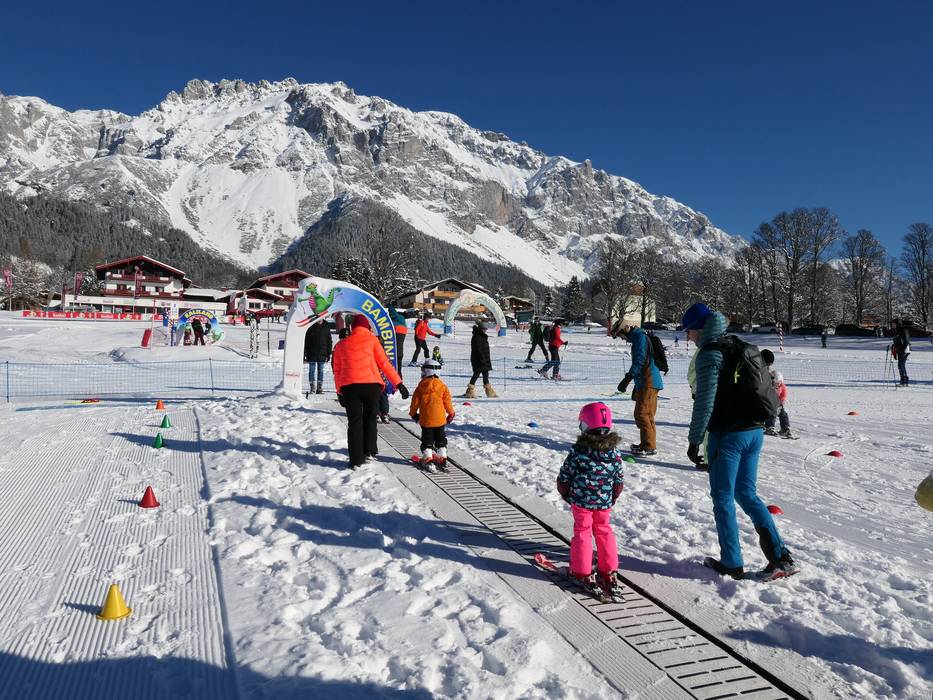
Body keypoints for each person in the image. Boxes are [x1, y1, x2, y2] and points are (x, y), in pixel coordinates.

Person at [681, 302, 797, 581]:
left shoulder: (710, 354)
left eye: (689, 331)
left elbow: (704, 401)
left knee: (722, 498)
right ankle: (781, 557)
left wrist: (695, 440)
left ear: (699, 329)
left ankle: (731, 562)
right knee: (746, 494)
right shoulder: (737, 344)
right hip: (754, 432)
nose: (688, 336)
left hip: (727, 435)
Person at [556, 402, 625, 596]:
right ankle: (608, 570)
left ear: (585, 425)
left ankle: (581, 571)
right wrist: (612, 496)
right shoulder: (614, 452)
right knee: (604, 531)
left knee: (583, 532)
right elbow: (619, 479)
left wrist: (564, 491)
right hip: (604, 502)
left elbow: (566, 474)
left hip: (581, 502)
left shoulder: (579, 451)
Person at [332, 315, 409, 469]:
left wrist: (339, 391)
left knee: (354, 422)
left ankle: (356, 460)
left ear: (352, 327)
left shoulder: (341, 345)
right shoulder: (373, 341)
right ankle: (369, 450)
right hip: (372, 386)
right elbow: (385, 364)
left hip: (350, 388)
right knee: (370, 418)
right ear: (367, 327)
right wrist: (399, 383)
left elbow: (338, 371)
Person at [612, 322, 663, 457]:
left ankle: (649, 447)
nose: (622, 338)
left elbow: (640, 359)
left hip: (649, 380)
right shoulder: (639, 337)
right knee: (647, 414)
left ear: (626, 329)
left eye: (621, 335)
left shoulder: (640, 337)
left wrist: (628, 377)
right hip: (647, 381)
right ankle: (647, 444)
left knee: (642, 414)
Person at [409, 359, 455, 473]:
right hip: (440, 420)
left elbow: (415, 402)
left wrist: (413, 414)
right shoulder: (442, 386)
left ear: (426, 371)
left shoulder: (420, 387)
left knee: (427, 440)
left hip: (426, 420)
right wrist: (451, 413)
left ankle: (428, 458)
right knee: (441, 439)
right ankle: (442, 458)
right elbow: (447, 401)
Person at [761, 349, 793, 438]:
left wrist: (781, 402)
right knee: (772, 413)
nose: (777, 385)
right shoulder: (769, 385)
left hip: (777, 402)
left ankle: (785, 428)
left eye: (779, 383)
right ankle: (769, 427)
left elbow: (783, 394)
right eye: (776, 383)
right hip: (768, 402)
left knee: (783, 414)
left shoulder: (781, 386)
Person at [465, 321, 497, 398]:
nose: (486, 330)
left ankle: (489, 391)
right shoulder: (477, 336)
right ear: (481, 329)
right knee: (477, 373)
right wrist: (482, 359)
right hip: (479, 359)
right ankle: (470, 391)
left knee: (485, 374)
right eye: (484, 329)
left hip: (483, 359)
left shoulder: (481, 336)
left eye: (486, 329)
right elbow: (478, 349)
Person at [303, 320, 332, 396]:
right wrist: (304, 353)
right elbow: (306, 341)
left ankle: (319, 387)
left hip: (322, 353)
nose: (320, 320)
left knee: (320, 370)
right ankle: (312, 387)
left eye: (321, 318)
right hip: (311, 353)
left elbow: (329, 341)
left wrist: (328, 353)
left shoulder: (326, 327)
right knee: (311, 370)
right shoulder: (311, 326)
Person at [388, 305, 408, 374]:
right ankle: (399, 376)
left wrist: (389, 306)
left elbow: (393, 312)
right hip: (401, 334)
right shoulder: (401, 319)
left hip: (397, 333)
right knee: (399, 354)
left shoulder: (396, 318)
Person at [891, 319, 911, 386]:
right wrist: (894, 347)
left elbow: (906, 341)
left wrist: (903, 349)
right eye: (892, 324)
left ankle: (904, 382)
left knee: (901, 366)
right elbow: (897, 341)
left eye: (894, 324)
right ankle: (904, 382)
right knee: (901, 366)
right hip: (900, 350)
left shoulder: (903, 330)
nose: (892, 325)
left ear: (897, 324)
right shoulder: (896, 330)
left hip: (904, 350)